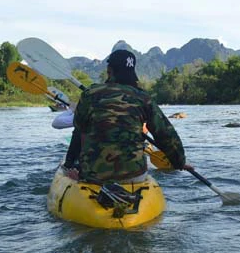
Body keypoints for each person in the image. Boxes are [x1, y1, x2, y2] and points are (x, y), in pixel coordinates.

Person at [62, 49, 188, 182]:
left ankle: (70, 166)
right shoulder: (143, 98)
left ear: (109, 70)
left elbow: (79, 127)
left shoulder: (90, 94)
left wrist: (72, 165)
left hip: (94, 175)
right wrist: (179, 163)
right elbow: (166, 134)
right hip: (135, 175)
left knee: (79, 131)